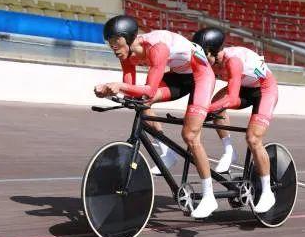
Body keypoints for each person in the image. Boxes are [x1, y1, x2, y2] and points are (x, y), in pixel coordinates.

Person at [94, 15, 219, 218]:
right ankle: (167, 153)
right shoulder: (126, 55)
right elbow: (132, 91)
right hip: (180, 75)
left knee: (190, 135)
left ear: (128, 37)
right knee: (140, 101)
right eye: (109, 42)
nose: (113, 47)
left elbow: (150, 90)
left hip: (201, 75)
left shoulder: (157, 48)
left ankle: (209, 196)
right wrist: (111, 90)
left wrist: (118, 86)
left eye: (116, 40)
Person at [192, 27, 279, 213]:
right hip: (244, 87)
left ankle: (267, 192)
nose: (200, 57)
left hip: (264, 90)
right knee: (215, 103)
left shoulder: (233, 61)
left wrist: (204, 110)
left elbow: (231, 99)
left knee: (253, 139)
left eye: (203, 53)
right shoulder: (212, 62)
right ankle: (229, 150)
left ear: (212, 51)